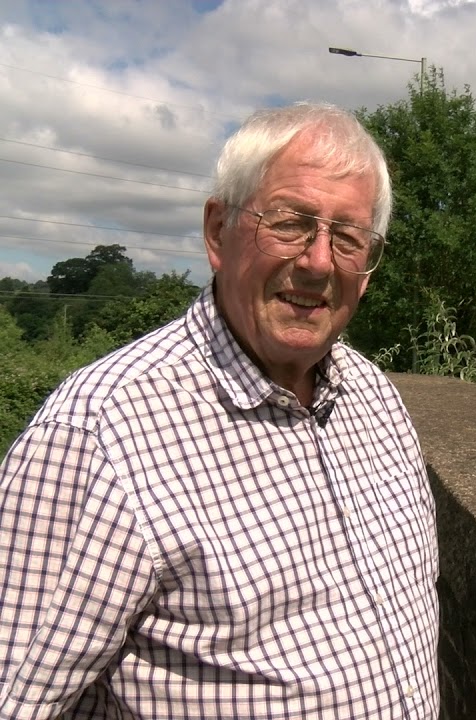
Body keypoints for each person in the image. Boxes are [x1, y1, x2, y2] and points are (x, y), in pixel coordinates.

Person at [0, 102, 439, 718]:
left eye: (347, 237)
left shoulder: (375, 398)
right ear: (217, 233)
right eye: (289, 223)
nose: (317, 262)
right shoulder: (97, 435)